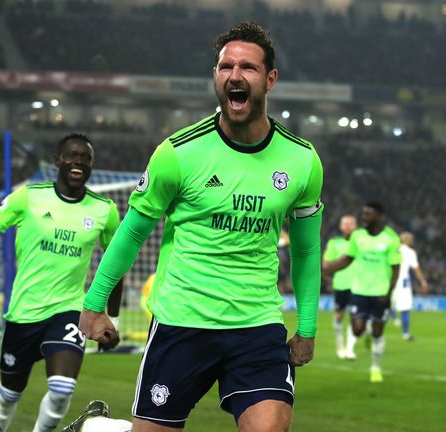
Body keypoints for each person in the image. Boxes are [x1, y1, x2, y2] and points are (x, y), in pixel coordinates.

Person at [79, 21, 324, 432]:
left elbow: (305, 250)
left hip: (257, 323)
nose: (235, 75)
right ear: (215, 76)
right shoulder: (178, 153)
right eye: (225, 66)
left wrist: (308, 326)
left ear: (270, 79)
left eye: (247, 67)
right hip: (182, 319)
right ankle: (101, 428)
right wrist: (94, 303)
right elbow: (133, 230)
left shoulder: (302, 161)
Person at [0, 133, 123, 432]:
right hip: (23, 313)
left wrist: (113, 319)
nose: (78, 161)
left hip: (69, 309)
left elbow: (116, 265)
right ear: (58, 160)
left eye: (86, 157)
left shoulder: (104, 210)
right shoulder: (28, 197)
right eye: (72, 155)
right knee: (8, 395)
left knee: (62, 390)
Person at [323, 202, 400, 383]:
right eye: (363, 214)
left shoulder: (391, 238)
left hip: (380, 293)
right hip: (359, 290)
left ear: (379, 216)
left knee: (377, 332)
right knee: (357, 328)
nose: (364, 217)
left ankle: (375, 367)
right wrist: (326, 271)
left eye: (368, 214)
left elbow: (396, 268)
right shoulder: (358, 236)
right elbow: (347, 259)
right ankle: (361, 333)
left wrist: (388, 293)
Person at [322, 214, 357, 359]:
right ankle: (340, 344)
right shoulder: (334, 243)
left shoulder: (361, 242)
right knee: (338, 316)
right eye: (345, 223)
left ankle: (349, 349)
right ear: (340, 226)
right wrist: (343, 260)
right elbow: (326, 264)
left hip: (358, 285)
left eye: (351, 223)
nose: (348, 226)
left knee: (356, 317)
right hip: (341, 284)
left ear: (356, 226)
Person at [391, 231, 429, 341]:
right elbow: (416, 269)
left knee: (385, 304)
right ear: (407, 240)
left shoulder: (393, 250)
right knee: (405, 308)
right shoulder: (410, 252)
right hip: (402, 283)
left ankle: (371, 328)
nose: (412, 241)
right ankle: (406, 334)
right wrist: (423, 282)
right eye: (411, 239)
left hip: (390, 280)